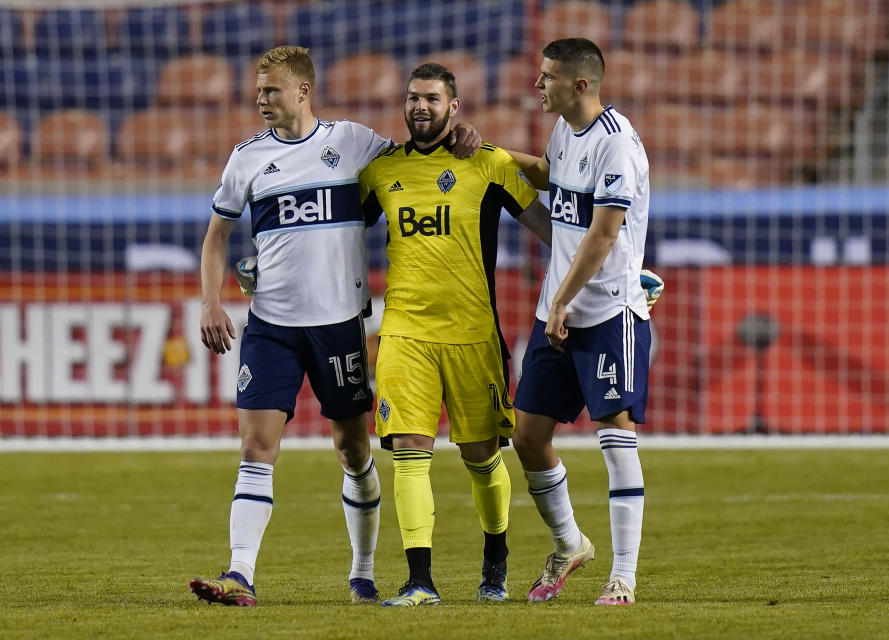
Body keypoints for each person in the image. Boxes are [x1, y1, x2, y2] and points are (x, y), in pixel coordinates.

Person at [189, 46, 480, 607]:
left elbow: (417, 156)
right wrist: (210, 302)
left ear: (302, 90)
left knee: (353, 451)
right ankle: (240, 573)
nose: (260, 99)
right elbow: (217, 237)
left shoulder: (351, 142)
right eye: (258, 89)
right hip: (270, 324)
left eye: (271, 89)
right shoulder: (246, 158)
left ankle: (363, 571)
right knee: (256, 447)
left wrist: (460, 133)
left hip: (339, 327)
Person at [358, 63, 552, 607]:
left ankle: (496, 560)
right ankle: (420, 580)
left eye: (433, 99)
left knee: (481, 456)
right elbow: (336, 231)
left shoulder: (486, 164)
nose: (421, 106)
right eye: (413, 97)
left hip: (473, 335)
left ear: (454, 107)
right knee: (409, 451)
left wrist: (609, 275)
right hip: (404, 333)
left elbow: (549, 230)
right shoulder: (380, 171)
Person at [505, 38, 657, 606]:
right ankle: (570, 543)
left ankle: (623, 576)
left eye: (547, 78)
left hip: (605, 310)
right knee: (528, 437)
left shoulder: (617, 146)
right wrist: (498, 158)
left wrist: (564, 300)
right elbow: (551, 177)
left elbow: (604, 233)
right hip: (558, 310)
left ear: (581, 84)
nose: (538, 85)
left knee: (615, 436)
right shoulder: (565, 131)